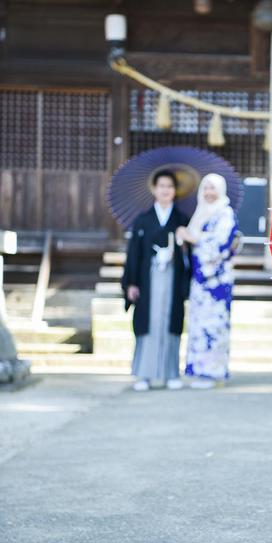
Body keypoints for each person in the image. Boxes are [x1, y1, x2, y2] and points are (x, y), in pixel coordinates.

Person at [121, 168, 191, 392]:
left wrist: (183, 243)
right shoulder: (143, 220)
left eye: (169, 187)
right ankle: (144, 373)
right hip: (148, 278)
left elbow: (190, 254)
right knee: (147, 324)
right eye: (161, 186)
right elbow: (133, 253)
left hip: (172, 276)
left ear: (174, 191)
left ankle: (171, 372)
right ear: (154, 189)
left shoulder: (182, 220)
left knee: (170, 323)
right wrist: (131, 282)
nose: (165, 190)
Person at [177, 173, 238, 388]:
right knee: (198, 324)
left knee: (214, 325)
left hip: (216, 281)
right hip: (200, 280)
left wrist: (195, 238)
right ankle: (200, 370)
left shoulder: (225, 213)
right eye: (206, 188)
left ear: (221, 191)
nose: (209, 193)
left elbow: (220, 244)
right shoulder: (201, 212)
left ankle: (214, 371)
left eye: (213, 189)